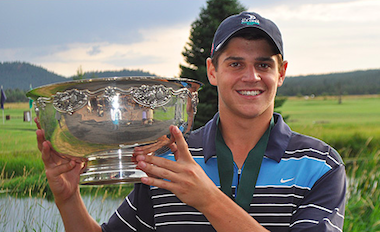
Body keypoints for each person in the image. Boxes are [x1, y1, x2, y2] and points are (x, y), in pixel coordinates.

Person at [36, 11, 346, 232]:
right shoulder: (168, 161)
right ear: (212, 71)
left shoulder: (320, 165)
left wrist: (208, 198)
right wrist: (68, 198)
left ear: (281, 72)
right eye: (235, 63)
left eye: (263, 64)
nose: (251, 77)